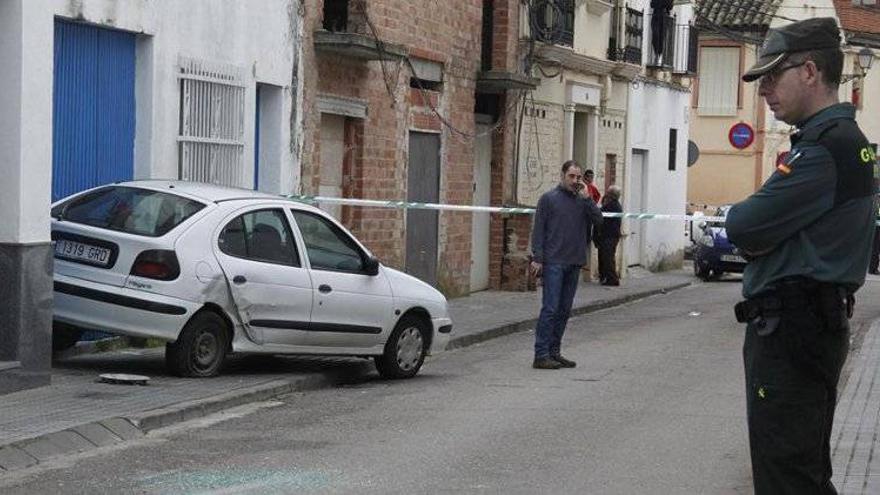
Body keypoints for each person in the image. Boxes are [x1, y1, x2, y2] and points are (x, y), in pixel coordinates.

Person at [725, 18, 875, 494]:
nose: (765, 89)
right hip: (808, 325)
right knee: (801, 473)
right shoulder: (841, 144)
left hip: (793, 329)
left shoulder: (826, 149)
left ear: (809, 71)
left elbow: (742, 226)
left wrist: (764, 239)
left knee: (786, 477)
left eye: (773, 75)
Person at [530, 160, 603, 369]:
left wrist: (588, 199)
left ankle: (554, 351)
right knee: (550, 308)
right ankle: (541, 353)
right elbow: (539, 230)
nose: (575, 181)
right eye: (571, 176)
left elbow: (599, 221)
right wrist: (537, 257)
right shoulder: (548, 199)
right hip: (554, 261)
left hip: (574, 261)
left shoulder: (583, 201)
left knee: (564, 310)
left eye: (578, 177)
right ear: (562, 176)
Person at [594, 185, 622, 286]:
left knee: (608, 258)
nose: (606, 194)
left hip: (610, 236)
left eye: (608, 192)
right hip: (609, 236)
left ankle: (612, 279)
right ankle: (605, 277)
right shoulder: (613, 204)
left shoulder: (612, 205)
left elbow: (600, 212)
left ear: (611, 195)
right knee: (605, 257)